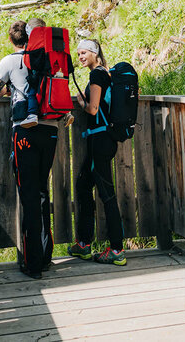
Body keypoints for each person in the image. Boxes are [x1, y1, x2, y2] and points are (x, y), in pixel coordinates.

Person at [0, 18, 57, 280]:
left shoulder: (9, 61)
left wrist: (10, 90)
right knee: (41, 192)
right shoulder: (47, 58)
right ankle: (46, 254)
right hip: (50, 129)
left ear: (11, 40)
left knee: (28, 195)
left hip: (25, 133)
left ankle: (33, 264)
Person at [68, 37, 128, 266]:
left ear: (95, 53)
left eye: (84, 53)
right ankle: (83, 243)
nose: (81, 57)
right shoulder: (105, 73)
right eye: (79, 54)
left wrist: (81, 102)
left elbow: (93, 109)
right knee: (84, 185)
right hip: (101, 139)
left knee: (106, 193)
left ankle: (116, 249)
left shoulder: (97, 74)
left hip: (100, 139)